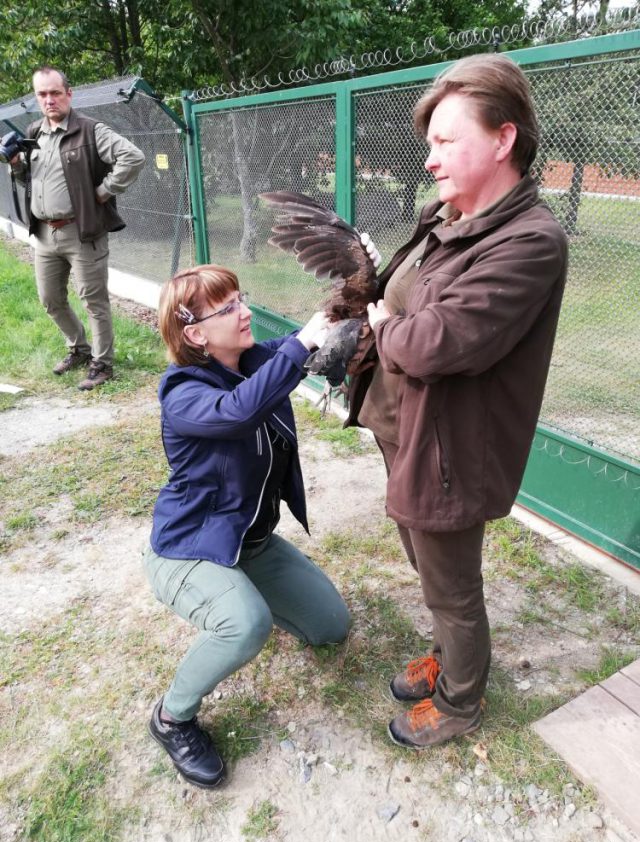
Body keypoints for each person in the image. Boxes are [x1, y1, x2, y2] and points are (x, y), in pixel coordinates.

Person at [346, 53, 568, 748]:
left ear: (503, 139)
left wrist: (385, 326)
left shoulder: (530, 241)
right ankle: (446, 654)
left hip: (450, 449)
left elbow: (432, 343)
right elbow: (392, 293)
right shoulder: (446, 214)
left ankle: (460, 700)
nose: (432, 159)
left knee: (451, 584)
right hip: (406, 428)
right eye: (430, 145)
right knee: (423, 559)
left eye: (447, 141)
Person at [145, 264, 350, 788]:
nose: (245, 312)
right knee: (246, 624)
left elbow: (310, 344)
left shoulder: (255, 360)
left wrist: (351, 302)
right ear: (194, 333)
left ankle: (243, 598)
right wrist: (302, 344)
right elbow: (238, 411)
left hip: (251, 544)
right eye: (229, 307)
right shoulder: (183, 393)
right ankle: (172, 716)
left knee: (331, 627)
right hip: (190, 549)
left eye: (242, 298)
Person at [10, 67, 145, 390]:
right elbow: (28, 180)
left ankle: (103, 363)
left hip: (82, 232)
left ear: (69, 94)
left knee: (93, 301)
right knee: (50, 299)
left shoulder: (90, 131)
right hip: (45, 234)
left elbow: (133, 157)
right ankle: (79, 348)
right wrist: (16, 166)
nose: (49, 99)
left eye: (55, 92)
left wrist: (102, 192)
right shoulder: (34, 133)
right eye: (42, 94)